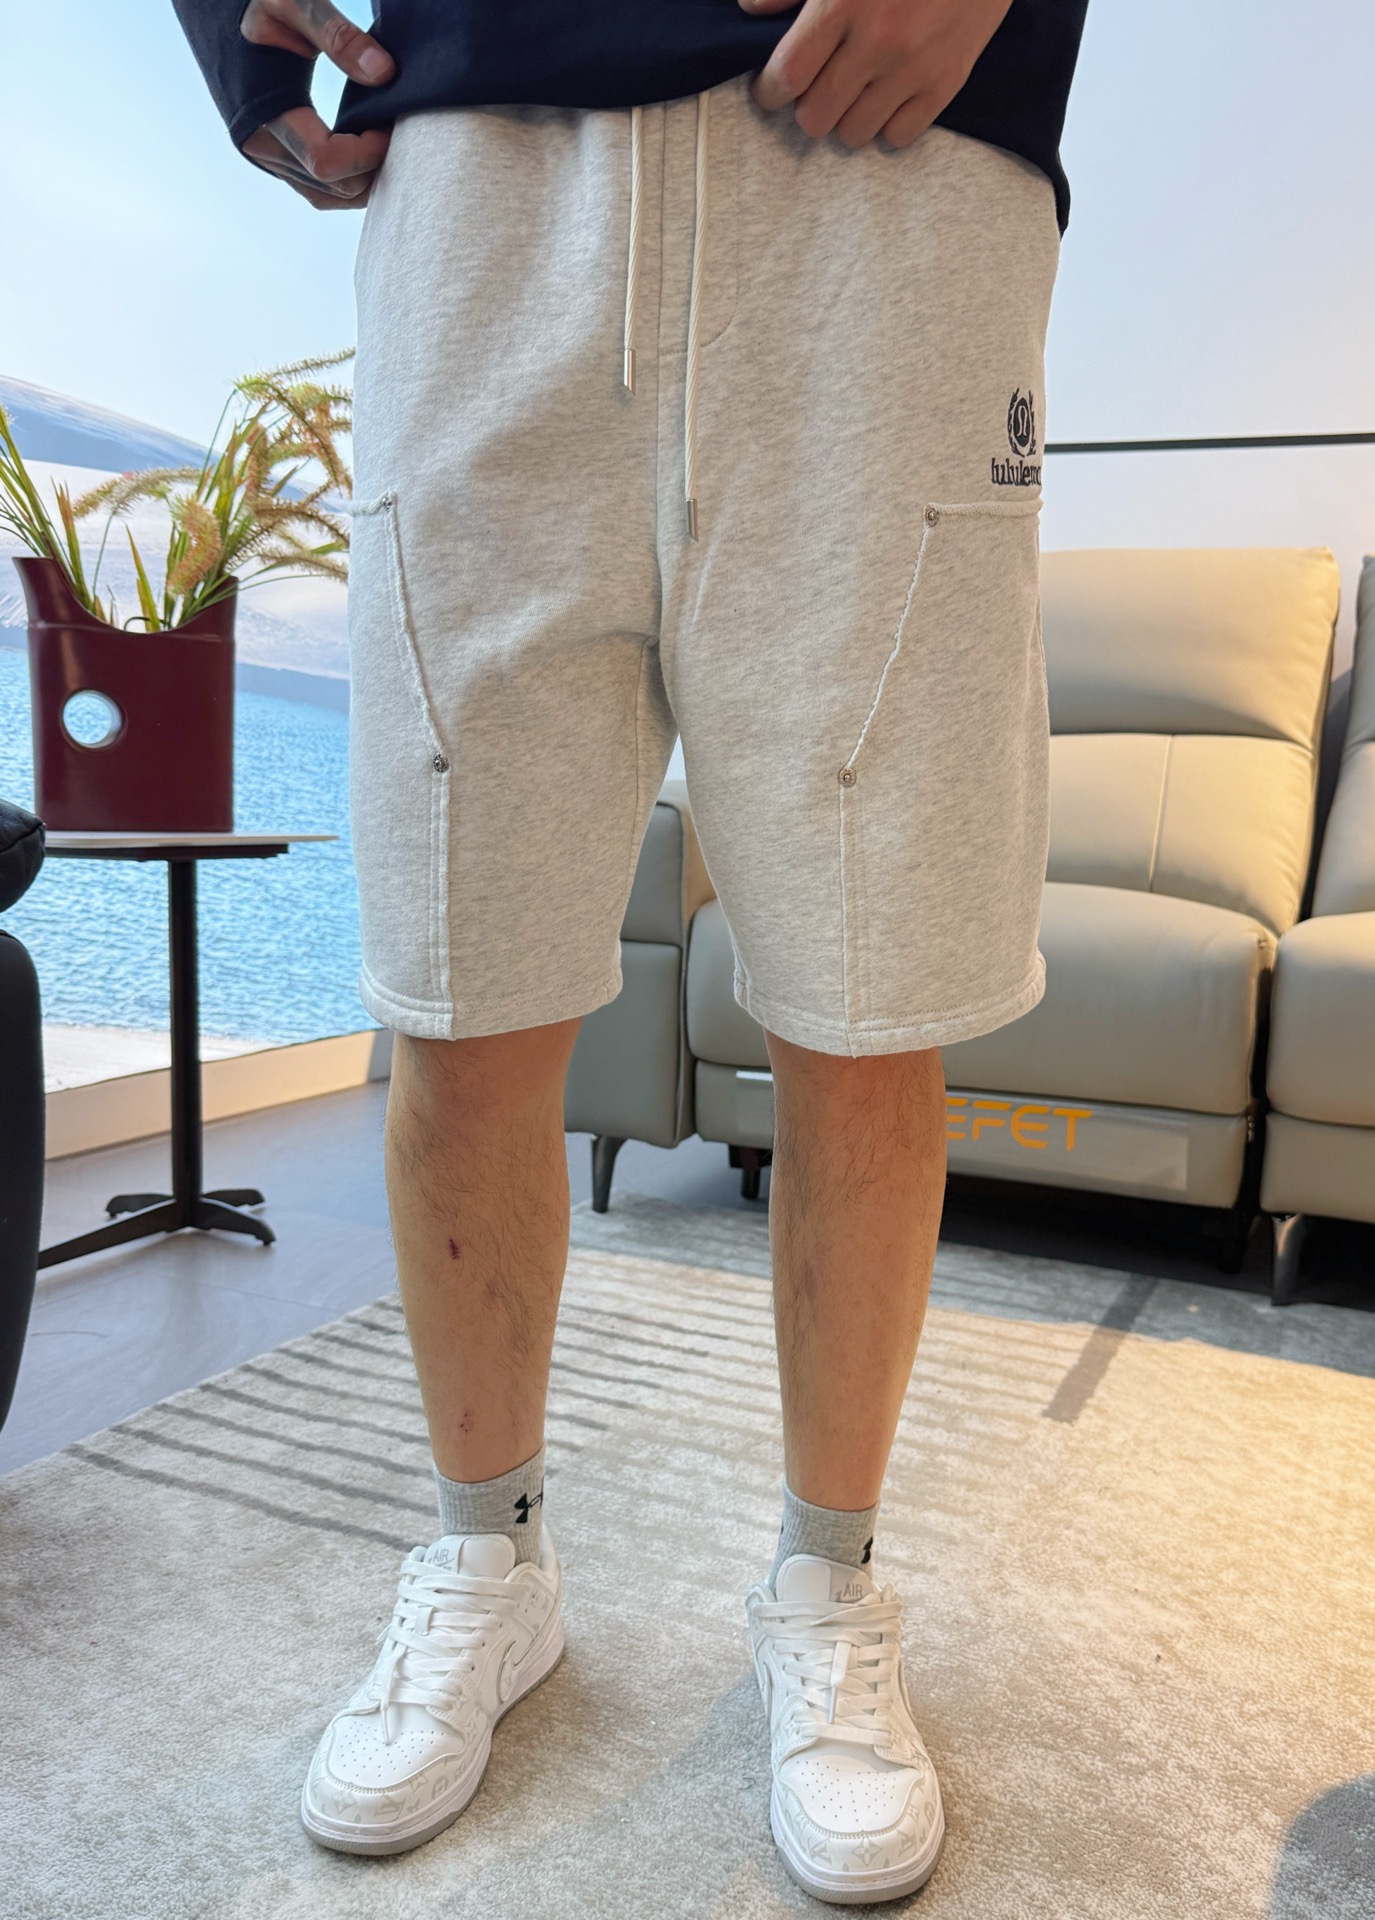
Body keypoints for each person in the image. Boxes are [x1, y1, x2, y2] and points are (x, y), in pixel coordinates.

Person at [173, 0, 1087, 1900]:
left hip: (892, 164)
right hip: (484, 175)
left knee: (868, 1004)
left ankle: (828, 1587)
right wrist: (226, 37)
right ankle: (485, 1558)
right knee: (462, 981)